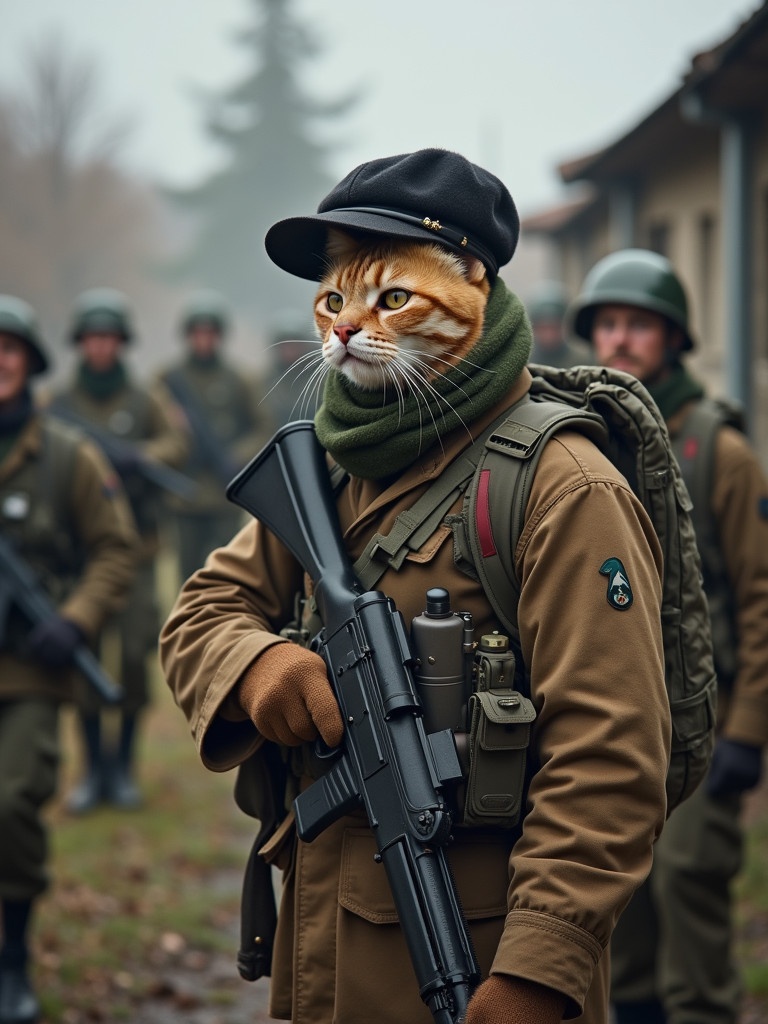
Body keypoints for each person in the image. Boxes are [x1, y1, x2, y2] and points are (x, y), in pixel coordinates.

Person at [160, 149, 672, 1024]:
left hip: (483, 948)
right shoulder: (332, 458)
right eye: (334, 302)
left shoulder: (561, 484)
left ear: (473, 282)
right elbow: (203, 613)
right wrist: (259, 668)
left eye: (390, 298)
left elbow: (611, 760)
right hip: (324, 938)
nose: (349, 329)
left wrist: (536, 975)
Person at [568, 247, 768, 1024]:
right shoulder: (586, 436)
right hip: (615, 714)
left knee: (689, 887)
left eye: (639, 327)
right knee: (622, 908)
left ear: (675, 339)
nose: (619, 341)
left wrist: (749, 731)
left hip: (704, 714)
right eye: (607, 325)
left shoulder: (719, 448)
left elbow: (759, 598)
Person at [0, 294, 137, 1023]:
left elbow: (115, 549)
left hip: (30, 665)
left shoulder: (64, 454)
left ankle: (13, 959)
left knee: (12, 802)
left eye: (10, 349)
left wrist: (78, 620)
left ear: (29, 363)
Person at [48, 287, 188, 813]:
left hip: (138, 548)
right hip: (78, 555)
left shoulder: (142, 396)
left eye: (109, 338)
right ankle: (92, 770)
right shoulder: (60, 403)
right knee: (84, 655)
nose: (101, 347)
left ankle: (124, 765)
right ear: (81, 343)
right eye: (92, 338)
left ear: (120, 343)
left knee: (132, 657)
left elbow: (176, 443)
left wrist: (138, 456)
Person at [157, 290, 269, 584]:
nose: (203, 339)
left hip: (224, 496)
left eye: (209, 333)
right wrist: (174, 428)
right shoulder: (167, 379)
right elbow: (153, 427)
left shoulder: (239, 379)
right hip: (185, 496)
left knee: (229, 577)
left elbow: (263, 427)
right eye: (197, 333)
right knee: (187, 577)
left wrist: (237, 455)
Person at [527, 280, 591, 368]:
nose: (549, 335)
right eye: (543, 328)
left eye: (554, 327)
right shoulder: (524, 362)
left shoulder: (583, 362)